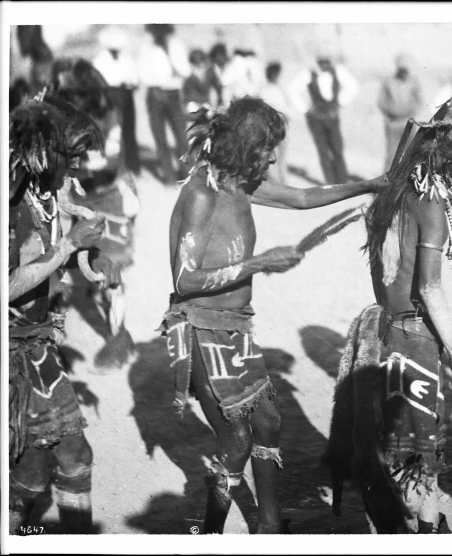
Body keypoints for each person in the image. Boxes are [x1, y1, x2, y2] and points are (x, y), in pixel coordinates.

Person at [158, 97, 387, 534]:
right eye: (266, 147)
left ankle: (268, 527)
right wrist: (257, 264)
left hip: (235, 326)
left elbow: (302, 196)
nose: (274, 156)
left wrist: (369, 185)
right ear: (244, 146)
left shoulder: (239, 184)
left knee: (268, 422)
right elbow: (186, 280)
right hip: (201, 329)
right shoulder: (202, 195)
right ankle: (207, 535)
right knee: (238, 440)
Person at [324, 101, 452, 534]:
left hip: (383, 326)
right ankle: (425, 530)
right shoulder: (432, 207)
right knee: (420, 451)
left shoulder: (391, 198)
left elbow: (386, 275)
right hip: (414, 334)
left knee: (407, 441)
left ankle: (427, 520)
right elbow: (429, 288)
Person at [8, 94, 121, 535]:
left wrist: (90, 259)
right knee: (73, 455)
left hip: (36, 347)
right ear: (44, 151)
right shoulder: (11, 201)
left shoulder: (42, 193)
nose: (77, 168)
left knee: (36, 472)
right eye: (71, 157)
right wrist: (71, 247)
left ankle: (21, 529)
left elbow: (49, 255)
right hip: (13, 354)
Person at [51, 57, 142, 373]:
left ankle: (120, 339)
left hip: (108, 199)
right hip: (77, 197)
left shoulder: (107, 114)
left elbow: (110, 161)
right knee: (67, 265)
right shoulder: (63, 113)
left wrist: (72, 164)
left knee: (108, 273)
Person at [288, 43, 359, 184]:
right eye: (322, 62)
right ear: (317, 61)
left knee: (337, 150)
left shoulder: (338, 71)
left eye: (327, 61)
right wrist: (305, 109)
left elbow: (353, 86)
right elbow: (292, 89)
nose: (324, 65)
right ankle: (330, 183)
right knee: (323, 152)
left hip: (333, 117)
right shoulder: (309, 73)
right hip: (316, 119)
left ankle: (342, 181)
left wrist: (340, 103)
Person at [138, 24, 191, 183]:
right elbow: (142, 73)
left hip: (173, 94)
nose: (158, 34)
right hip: (155, 94)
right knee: (160, 139)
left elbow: (186, 71)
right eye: (156, 31)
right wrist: (157, 84)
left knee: (181, 137)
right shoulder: (146, 47)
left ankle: (187, 174)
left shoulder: (176, 46)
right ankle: (169, 177)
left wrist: (173, 61)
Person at [92, 26, 141, 175]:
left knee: (129, 131)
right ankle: (116, 168)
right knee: (114, 133)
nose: (116, 50)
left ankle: (134, 167)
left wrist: (131, 84)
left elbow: (136, 79)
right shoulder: (99, 60)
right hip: (110, 96)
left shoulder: (126, 59)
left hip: (126, 94)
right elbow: (97, 83)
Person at [377, 53, 422, 172]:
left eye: (406, 68)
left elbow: (419, 100)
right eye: (401, 68)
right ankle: (386, 186)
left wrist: (410, 112)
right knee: (392, 156)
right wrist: (389, 114)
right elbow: (381, 101)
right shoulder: (388, 81)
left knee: (411, 155)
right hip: (393, 124)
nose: (404, 71)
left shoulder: (414, 82)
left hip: (408, 123)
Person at [259, 61, 291, 184]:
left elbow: (288, 107)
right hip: (271, 125)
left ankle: (283, 181)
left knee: (283, 156)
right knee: (271, 155)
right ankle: (273, 181)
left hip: (282, 124)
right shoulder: (264, 90)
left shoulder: (281, 89)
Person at [183, 49, 214, 114]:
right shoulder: (189, 74)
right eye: (195, 59)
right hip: (192, 103)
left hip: (205, 102)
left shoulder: (209, 71)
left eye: (201, 59)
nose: (199, 61)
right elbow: (189, 93)